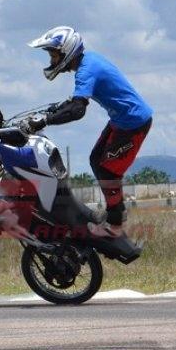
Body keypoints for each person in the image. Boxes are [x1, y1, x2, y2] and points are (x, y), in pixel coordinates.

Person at [25, 26, 153, 238]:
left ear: (67, 52)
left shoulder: (86, 70)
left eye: (54, 55)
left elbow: (77, 110)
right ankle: (115, 214)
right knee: (96, 160)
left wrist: (45, 121)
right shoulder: (88, 61)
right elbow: (75, 101)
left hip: (133, 123)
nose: (52, 60)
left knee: (109, 171)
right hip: (121, 120)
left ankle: (115, 224)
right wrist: (54, 111)